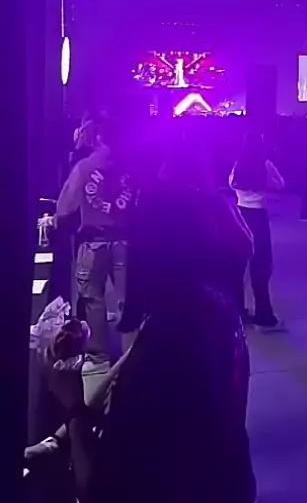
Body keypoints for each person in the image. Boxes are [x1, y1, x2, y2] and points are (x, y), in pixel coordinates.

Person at [33, 143, 257, 503]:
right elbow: (127, 362)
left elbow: (98, 490)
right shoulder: (206, 314)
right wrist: (56, 440)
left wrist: (71, 401)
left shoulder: (163, 363)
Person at [39, 117, 137, 398]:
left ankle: (99, 358)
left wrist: (54, 221)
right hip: (125, 242)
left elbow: (66, 208)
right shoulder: (131, 166)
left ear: (98, 138)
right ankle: (131, 358)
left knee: (92, 299)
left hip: (93, 243)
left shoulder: (84, 168)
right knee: (127, 301)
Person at [230, 130, 285, 331]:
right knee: (261, 266)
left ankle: (238, 312)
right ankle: (264, 315)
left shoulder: (238, 164)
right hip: (259, 216)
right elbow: (280, 184)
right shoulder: (265, 164)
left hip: (240, 214)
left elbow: (231, 183)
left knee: (238, 266)